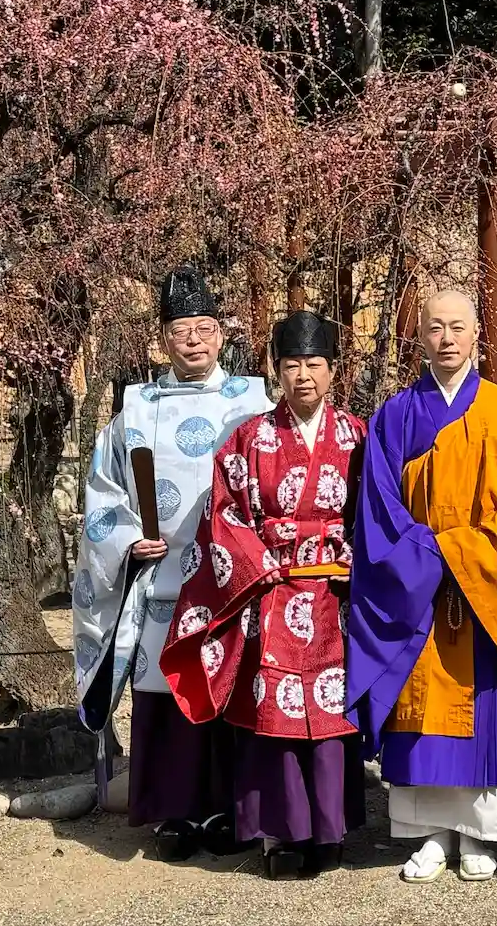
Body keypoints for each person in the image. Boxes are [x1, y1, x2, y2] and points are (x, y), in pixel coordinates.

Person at [73, 266, 273, 860]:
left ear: (221, 335)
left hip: (232, 579)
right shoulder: (135, 410)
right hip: (162, 578)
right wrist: (128, 539)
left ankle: (232, 809)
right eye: (181, 330)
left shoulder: (254, 402)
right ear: (162, 339)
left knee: (232, 685)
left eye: (204, 328)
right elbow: (103, 492)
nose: (193, 340)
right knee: (166, 695)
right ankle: (175, 813)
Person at [161, 311, 367, 878]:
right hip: (270, 593)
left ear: (333, 370)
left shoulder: (357, 435)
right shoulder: (250, 438)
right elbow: (223, 515)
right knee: (273, 717)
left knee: (329, 715)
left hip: (334, 596)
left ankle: (329, 830)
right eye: (292, 365)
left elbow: (376, 513)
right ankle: (280, 835)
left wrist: (356, 562)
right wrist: (259, 567)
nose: (304, 376)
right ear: (276, 370)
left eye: (315, 364)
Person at [346, 289, 497, 884]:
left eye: (457, 326)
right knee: (419, 709)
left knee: (479, 710)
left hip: (483, 589)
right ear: (419, 335)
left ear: (477, 333)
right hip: (417, 588)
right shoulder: (395, 415)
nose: (446, 339)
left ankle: (478, 834)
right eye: (434, 327)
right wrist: (431, 554)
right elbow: (378, 510)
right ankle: (428, 835)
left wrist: (467, 554)